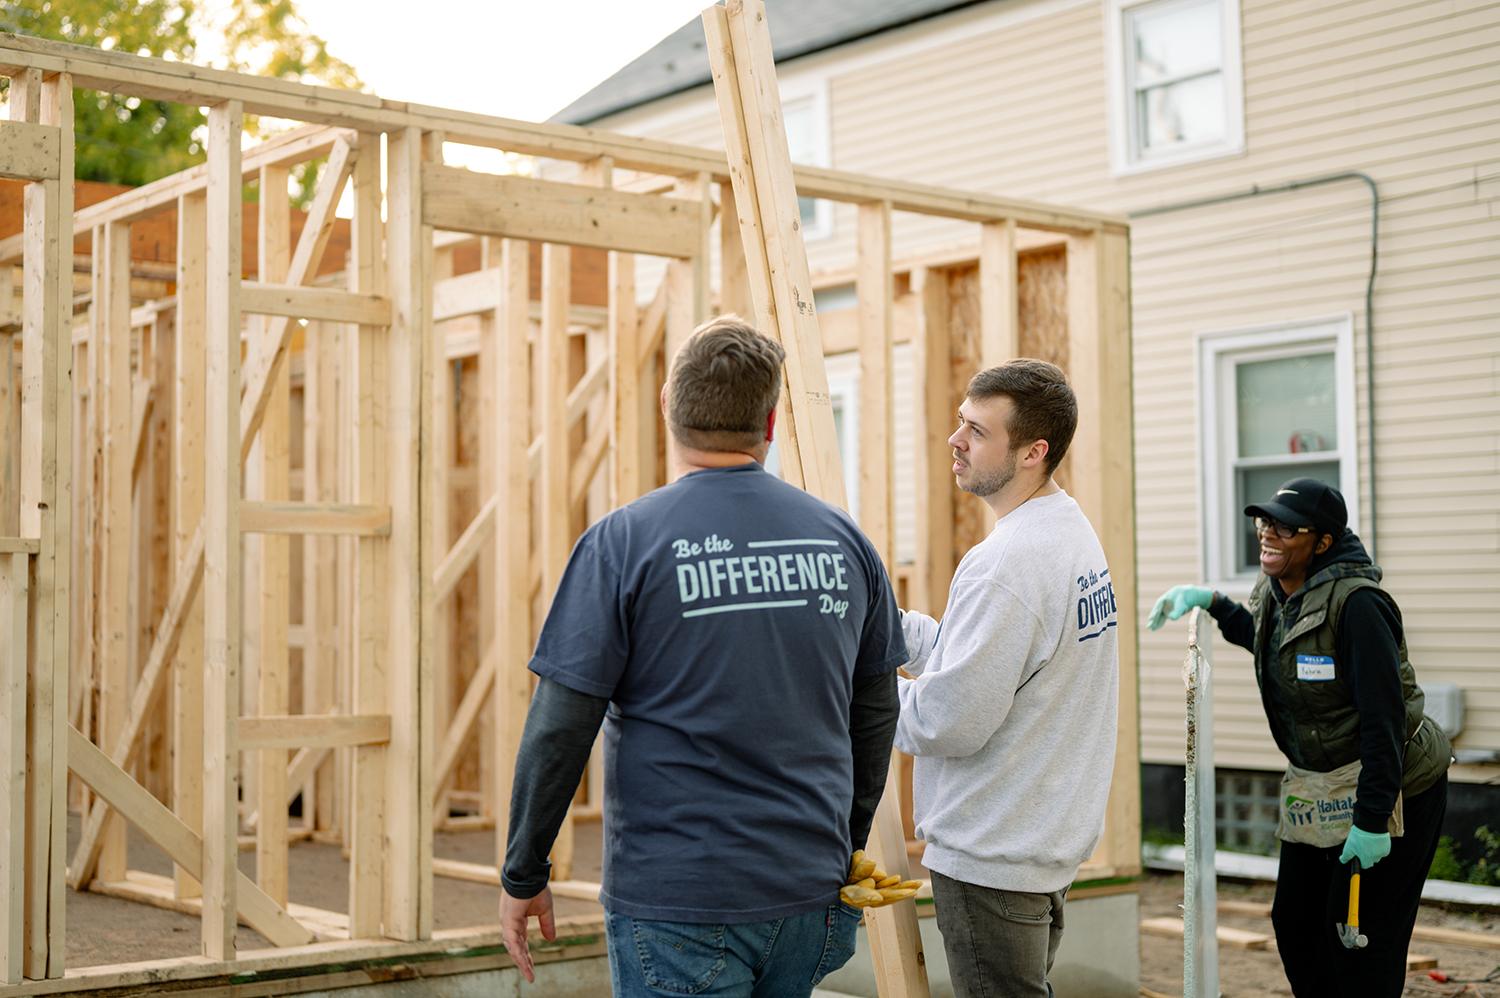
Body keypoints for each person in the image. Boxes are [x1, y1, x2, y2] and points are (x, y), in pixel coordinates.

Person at [497, 317, 907, 997]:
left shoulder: (623, 544)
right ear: (770, 422)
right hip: (809, 893)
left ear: (668, 405)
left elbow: (560, 725)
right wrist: (843, 846)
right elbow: (875, 712)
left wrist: (524, 873)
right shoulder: (844, 542)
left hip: (682, 905)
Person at [1148, 477, 1452, 997]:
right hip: (1322, 783)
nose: (1268, 534)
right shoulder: (1277, 591)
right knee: (1294, 921)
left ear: (1323, 542)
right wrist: (1214, 602)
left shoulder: (1359, 606)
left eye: (1286, 529)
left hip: (1395, 782)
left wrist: (1373, 820)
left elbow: (1385, 719)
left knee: (1359, 936)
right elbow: (1271, 645)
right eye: (1264, 522)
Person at [895, 360, 1120, 998]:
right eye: (960, 422)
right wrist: (887, 627)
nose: (954, 440)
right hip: (1035, 845)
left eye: (976, 430)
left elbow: (947, 721)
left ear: (1032, 451)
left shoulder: (1007, 563)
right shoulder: (1065, 531)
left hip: (992, 857)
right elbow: (995, 669)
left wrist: (852, 683)